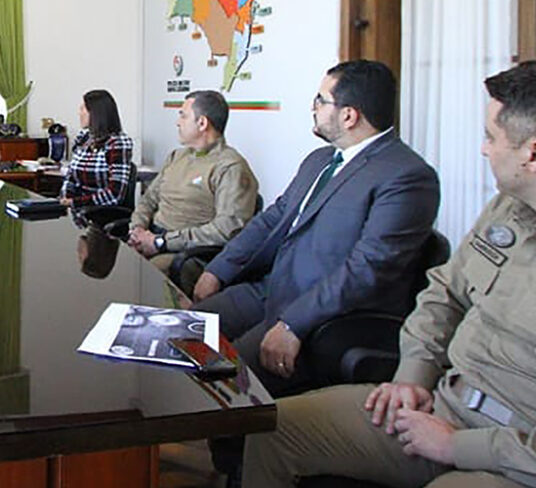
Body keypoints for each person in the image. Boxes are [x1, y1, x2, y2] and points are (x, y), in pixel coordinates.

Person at [243, 60, 536, 488]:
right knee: (273, 429)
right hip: (439, 404)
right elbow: (444, 294)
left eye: (491, 137)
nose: (483, 149)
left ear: (535, 154)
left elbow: (367, 267)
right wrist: (412, 375)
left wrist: (458, 447)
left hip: (516, 457)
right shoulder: (509, 209)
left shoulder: (405, 175)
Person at [191, 60, 440, 396]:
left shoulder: (405, 176)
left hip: (316, 314)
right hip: (267, 289)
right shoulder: (319, 161)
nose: (313, 108)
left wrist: (295, 322)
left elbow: (368, 268)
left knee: (224, 381)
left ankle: (221, 446)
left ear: (349, 115)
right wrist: (217, 270)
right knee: (184, 333)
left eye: (320, 101)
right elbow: (271, 220)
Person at [127, 90, 258, 278]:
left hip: (184, 252)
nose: (178, 122)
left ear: (202, 123)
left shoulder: (230, 167)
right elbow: (148, 200)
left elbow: (226, 229)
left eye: (183, 115)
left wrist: (161, 242)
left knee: (144, 274)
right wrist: (137, 229)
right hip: (151, 238)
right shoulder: (177, 157)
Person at [59, 89, 135, 210]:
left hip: (101, 212)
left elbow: (115, 194)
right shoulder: (84, 138)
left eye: (83, 108)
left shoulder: (117, 143)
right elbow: (70, 178)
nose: (79, 113)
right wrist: (65, 198)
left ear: (96, 112)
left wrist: (74, 202)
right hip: (77, 211)